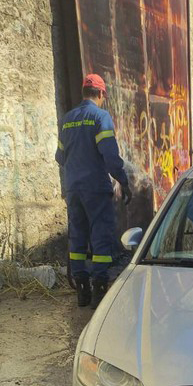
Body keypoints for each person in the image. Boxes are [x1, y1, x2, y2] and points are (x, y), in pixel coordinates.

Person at [55, 74, 131, 308]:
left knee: (77, 236)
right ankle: (99, 288)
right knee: (100, 236)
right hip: (96, 188)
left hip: (73, 189)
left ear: (83, 93)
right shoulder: (100, 117)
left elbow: (60, 157)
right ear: (100, 94)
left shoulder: (67, 120)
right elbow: (110, 155)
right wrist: (123, 181)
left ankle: (82, 290)